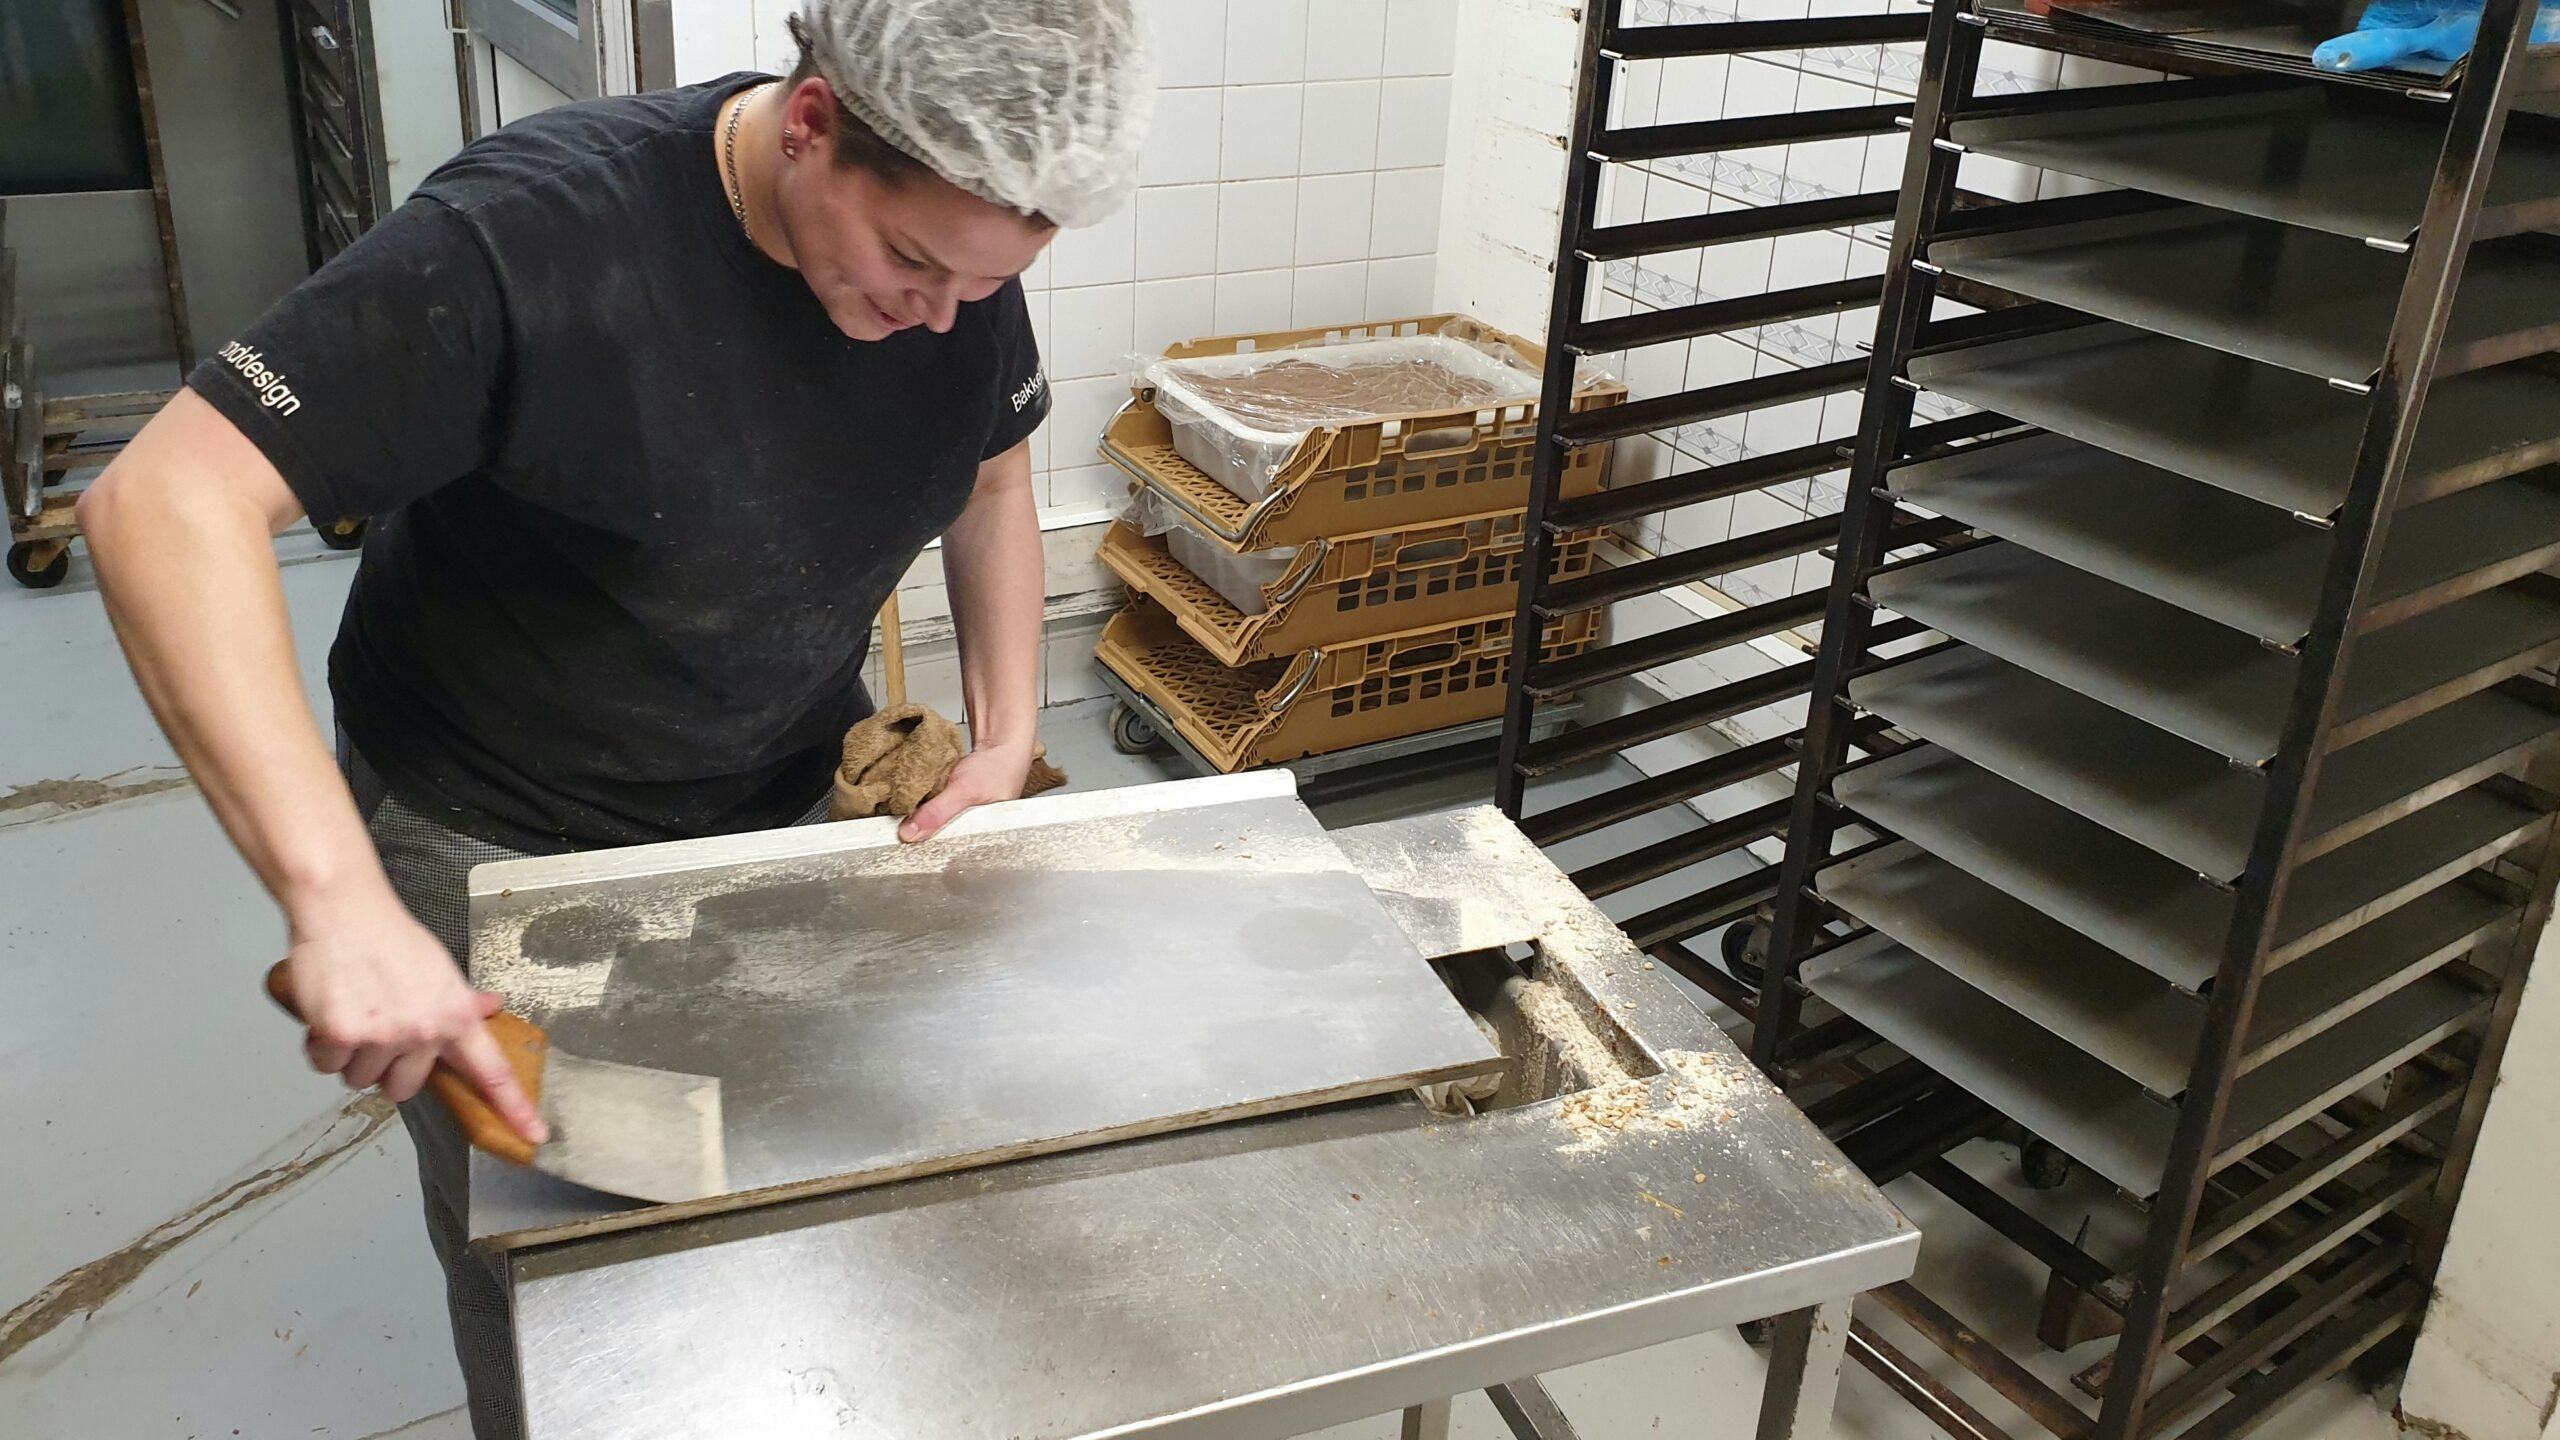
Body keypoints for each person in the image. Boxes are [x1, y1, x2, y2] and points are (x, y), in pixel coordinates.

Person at [79, 1, 1152, 1432]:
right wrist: (338, 904)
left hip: (774, 785)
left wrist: (1006, 729)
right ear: (813, 124)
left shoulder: (946, 256)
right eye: (912, 264)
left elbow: (994, 472)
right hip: (496, 823)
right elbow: (163, 499)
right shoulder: (529, 239)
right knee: (566, 1253)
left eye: (986, 283)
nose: (942, 314)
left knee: (778, 1169)